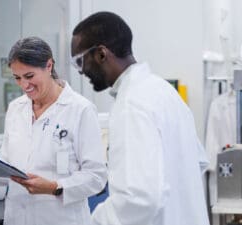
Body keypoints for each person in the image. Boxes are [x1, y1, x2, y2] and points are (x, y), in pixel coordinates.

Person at [0, 36, 107, 225]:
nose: (23, 85)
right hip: (17, 218)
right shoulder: (16, 108)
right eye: (17, 78)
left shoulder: (80, 110)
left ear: (49, 66)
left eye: (29, 76)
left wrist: (54, 187)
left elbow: (96, 177)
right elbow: (7, 171)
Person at [70, 12, 210, 225]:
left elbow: (139, 198)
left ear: (101, 54)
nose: (81, 72)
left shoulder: (131, 104)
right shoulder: (163, 91)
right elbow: (198, 161)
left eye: (80, 61)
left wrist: (94, 220)